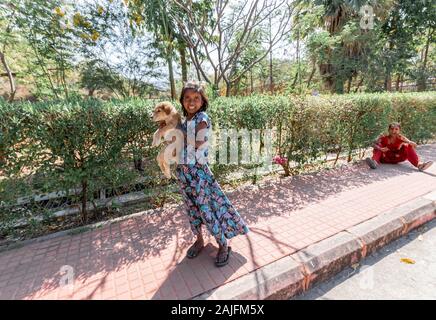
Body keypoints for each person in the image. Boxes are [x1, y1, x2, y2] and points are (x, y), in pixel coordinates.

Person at [174, 81, 249, 267]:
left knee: (208, 211)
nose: (191, 102)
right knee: (192, 211)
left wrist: (178, 134)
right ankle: (199, 240)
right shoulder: (185, 121)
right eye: (187, 98)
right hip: (184, 175)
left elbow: (199, 142)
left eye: (196, 98)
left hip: (199, 175)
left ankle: (223, 245)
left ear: (202, 101)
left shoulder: (202, 118)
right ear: (182, 101)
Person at [365, 122, 433, 171]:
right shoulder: (384, 137)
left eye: (396, 129)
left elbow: (409, 142)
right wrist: (380, 148)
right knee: (378, 145)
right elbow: (373, 144)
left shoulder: (400, 137)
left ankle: (419, 165)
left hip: (397, 158)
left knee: (407, 145)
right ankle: (374, 163)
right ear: (389, 130)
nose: (394, 131)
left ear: (399, 130)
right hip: (384, 158)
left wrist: (411, 143)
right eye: (392, 129)